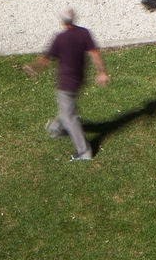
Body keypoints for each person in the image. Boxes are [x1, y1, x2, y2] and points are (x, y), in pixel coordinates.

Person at [23, 8, 108, 161]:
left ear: (63, 22)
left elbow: (45, 60)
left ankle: (84, 152)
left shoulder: (60, 39)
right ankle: (55, 128)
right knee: (67, 109)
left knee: (70, 118)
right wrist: (101, 72)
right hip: (79, 81)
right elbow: (94, 54)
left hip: (65, 84)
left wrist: (32, 67)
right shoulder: (84, 33)